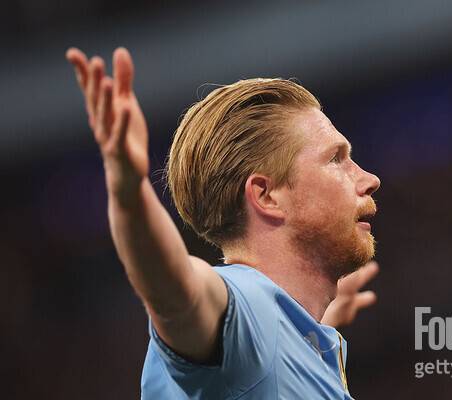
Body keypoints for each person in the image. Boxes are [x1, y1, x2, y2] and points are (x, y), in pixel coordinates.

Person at [66, 46, 381, 399]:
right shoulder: (245, 308)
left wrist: (314, 322)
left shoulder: (279, 337)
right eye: (336, 159)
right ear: (266, 196)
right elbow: (176, 293)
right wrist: (130, 196)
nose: (369, 179)